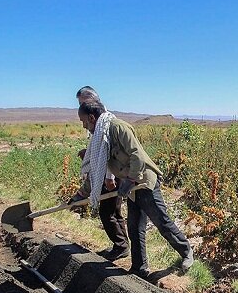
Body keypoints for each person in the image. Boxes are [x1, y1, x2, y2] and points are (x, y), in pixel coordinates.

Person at [76, 100, 194, 278]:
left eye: (84, 121)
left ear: (92, 118)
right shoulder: (99, 137)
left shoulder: (118, 128)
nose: (84, 126)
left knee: (161, 220)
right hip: (130, 187)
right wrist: (80, 195)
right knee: (134, 227)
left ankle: (186, 252)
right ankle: (139, 267)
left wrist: (130, 179)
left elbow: (136, 155)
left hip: (143, 182)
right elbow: (96, 169)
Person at [70, 86, 130, 261]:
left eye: (82, 103)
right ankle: (122, 245)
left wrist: (110, 177)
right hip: (108, 174)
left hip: (110, 175)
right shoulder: (99, 121)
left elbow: (108, 151)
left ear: (91, 101)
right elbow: (99, 150)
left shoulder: (105, 123)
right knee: (114, 211)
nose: (80, 106)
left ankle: (121, 247)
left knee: (107, 213)